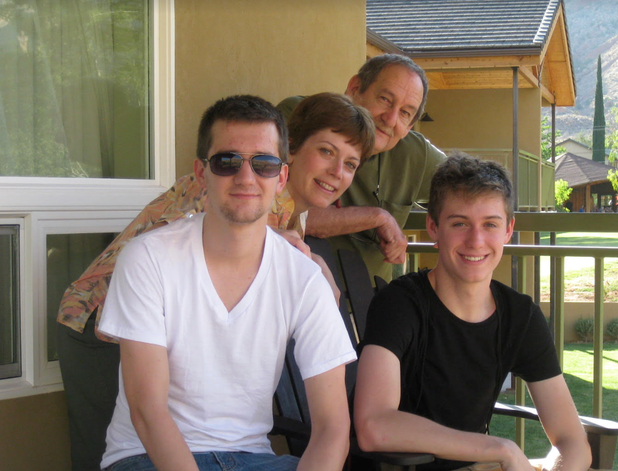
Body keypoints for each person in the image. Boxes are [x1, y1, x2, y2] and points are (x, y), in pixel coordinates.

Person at [56, 92, 374, 471]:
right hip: (100, 313)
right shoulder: (231, 203)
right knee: (128, 444)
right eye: (326, 151)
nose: (337, 171)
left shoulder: (290, 224)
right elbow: (203, 245)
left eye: (350, 163)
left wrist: (309, 275)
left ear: (280, 170)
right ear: (295, 149)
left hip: (217, 411)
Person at [353, 153, 591, 471]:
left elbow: (571, 439)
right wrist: (500, 448)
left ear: (508, 230)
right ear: (433, 227)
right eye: (460, 223)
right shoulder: (400, 304)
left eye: (490, 224)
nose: (476, 241)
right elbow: (374, 427)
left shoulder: (520, 317)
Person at [278, 53, 447, 283]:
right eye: (385, 99)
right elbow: (284, 205)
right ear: (355, 88)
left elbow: (471, 186)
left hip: (367, 301)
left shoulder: (414, 153)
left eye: (405, 113)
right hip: (298, 287)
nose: (390, 118)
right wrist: (378, 217)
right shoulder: (309, 117)